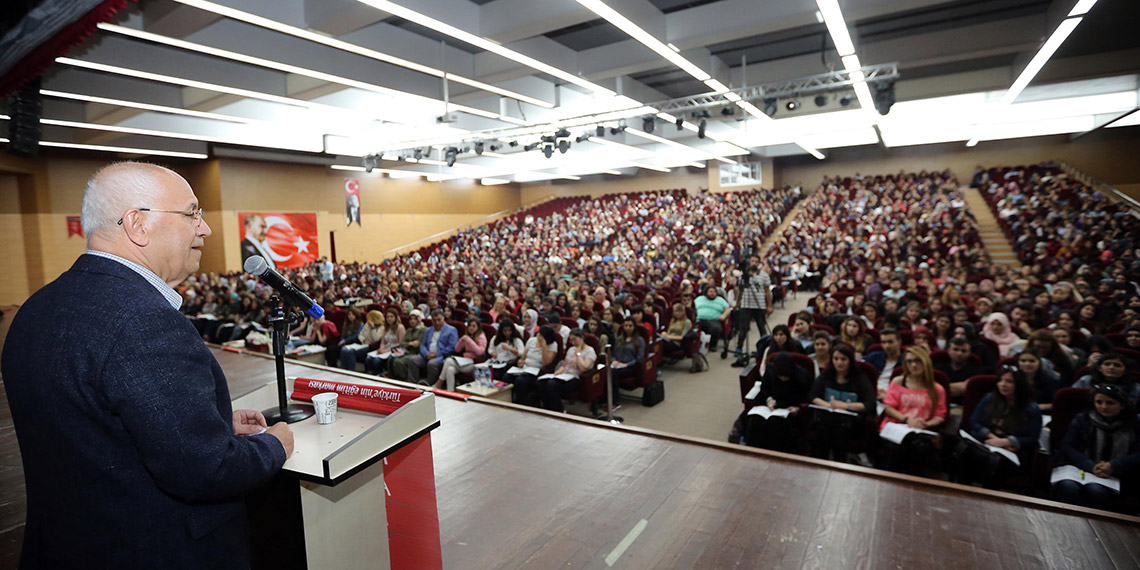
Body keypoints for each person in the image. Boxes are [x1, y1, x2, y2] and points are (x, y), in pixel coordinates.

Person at [1, 162, 294, 568]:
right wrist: (275, 443)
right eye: (192, 213)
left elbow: (91, 431)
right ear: (137, 224)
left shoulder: (37, 308)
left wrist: (209, 426)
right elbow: (207, 471)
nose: (205, 228)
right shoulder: (145, 322)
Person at [1053, 384, 1140, 512]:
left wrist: (1114, 465)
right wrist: (1089, 465)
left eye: (1110, 403)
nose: (1103, 407)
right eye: (1099, 402)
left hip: (1118, 473)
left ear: (1122, 406)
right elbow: (1067, 446)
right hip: (1081, 468)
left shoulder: (1134, 424)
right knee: (1068, 487)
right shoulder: (1083, 419)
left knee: (1095, 490)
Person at [956, 367, 1042, 489]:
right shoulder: (989, 398)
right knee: (964, 451)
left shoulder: (1031, 409)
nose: (1003, 384)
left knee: (994, 463)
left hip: (1011, 451)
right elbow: (974, 421)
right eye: (1000, 380)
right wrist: (992, 437)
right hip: (987, 442)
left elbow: (1033, 438)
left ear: (1019, 384)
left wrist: (1006, 442)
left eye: (1009, 381)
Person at [880, 347, 948, 476]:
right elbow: (889, 408)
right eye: (909, 361)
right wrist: (907, 420)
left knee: (919, 447)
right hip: (897, 427)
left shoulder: (937, 389)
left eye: (917, 361)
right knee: (901, 448)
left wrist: (926, 424)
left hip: (921, 429)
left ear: (926, 362)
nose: (913, 365)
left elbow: (940, 415)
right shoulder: (899, 381)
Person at [808, 344, 877, 462]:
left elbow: (869, 403)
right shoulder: (826, 375)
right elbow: (812, 396)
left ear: (850, 361)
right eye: (836, 359)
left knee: (838, 433)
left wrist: (845, 406)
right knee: (822, 430)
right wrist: (829, 405)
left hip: (850, 422)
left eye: (843, 359)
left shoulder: (860, 378)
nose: (839, 363)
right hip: (827, 417)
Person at [745, 352, 811, 452]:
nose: (783, 379)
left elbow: (808, 399)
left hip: (789, 411)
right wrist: (768, 399)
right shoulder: (770, 370)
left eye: (786, 377)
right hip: (771, 406)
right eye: (780, 377)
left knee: (775, 423)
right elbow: (764, 388)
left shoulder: (802, 377)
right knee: (754, 419)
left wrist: (799, 408)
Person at [536, 329, 597, 413]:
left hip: (576, 377)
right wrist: (559, 371)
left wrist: (578, 354)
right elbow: (564, 365)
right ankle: (548, 408)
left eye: (574, 339)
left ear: (582, 338)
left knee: (551, 385)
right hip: (564, 375)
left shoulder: (590, 351)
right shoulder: (571, 349)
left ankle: (559, 410)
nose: (572, 342)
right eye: (571, 340)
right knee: (541, 382)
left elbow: (584, 368)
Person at [732, 254, 773, 366]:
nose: (754, 263)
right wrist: (737, 303)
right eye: (752, 261)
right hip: (746, 305)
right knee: (743, 329)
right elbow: (740, 290)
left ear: (759, 263)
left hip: (760, 306)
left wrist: (770, 306)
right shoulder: (743, 276)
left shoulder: (764, 275)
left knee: (762, 328)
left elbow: (767, 291)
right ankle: (739, 347)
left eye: (756, 261)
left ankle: (765, 348)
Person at [506, 325, 559, 406]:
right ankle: (509, 401)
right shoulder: (531, 340)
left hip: (537, 370)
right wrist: (520, 361)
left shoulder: (552, 344)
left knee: (520, 381)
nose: (538, 336)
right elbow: (523, 357)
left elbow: (546, 362)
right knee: (507, 377)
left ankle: (521, 404)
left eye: (541, 336)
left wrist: (543, 345)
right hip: (525, 368)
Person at [404, 309, 458, 385]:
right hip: (427, 354)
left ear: (443, 318)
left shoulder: (451, 330)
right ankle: (412, 384)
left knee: (431, 364)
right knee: (413, 360)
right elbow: (422, 345)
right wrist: (427, 354)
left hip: (441, 356)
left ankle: (429, 384)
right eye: (434, 320)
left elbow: (452, 347)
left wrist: (436, 354)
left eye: (439, 320)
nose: (437, 322)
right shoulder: (428, 330)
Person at [435, 318, 488, 390]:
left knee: (448, 361)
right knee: (450, 369)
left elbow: (480, 352)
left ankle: (439, 383)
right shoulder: (468, 336)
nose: (471, 328)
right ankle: (450, 392)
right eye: (469, 326)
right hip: (465, 361)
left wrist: (469, 340)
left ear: (478, 327)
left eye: (474, 326)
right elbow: (457, 349)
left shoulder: (481, 337)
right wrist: (461, 341)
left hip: (475, 363)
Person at [608, 319, 646, 410]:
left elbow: (640, 358)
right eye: (626, 326)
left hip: (631, 367)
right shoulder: (619, 339)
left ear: (634, 327)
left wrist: (626, 365)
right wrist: (613, 361)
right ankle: (603, 399)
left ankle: (615, 402)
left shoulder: (640, 340)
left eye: (630, 326)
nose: (628, 328)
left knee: (613, 373)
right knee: (605, 371)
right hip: (617, 364)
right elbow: (612, 354)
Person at [1074, 353, 1140, 405]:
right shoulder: (1085, 381)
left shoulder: (1135, 387)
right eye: (1107, 364)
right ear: (1099, 368)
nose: (1111, 367)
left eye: (1117, 365)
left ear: (1125, 371)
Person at [864, 328, 904, 399]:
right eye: (883, 342)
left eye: (890, 342)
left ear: (899, 342)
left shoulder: (906, 361)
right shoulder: (874, 357)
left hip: (894, 396)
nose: (887, 346)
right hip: (871, 392)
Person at [365, 308, 406, 375]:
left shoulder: (400, 327)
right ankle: (371, 374)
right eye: (387, 317)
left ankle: (379, 374)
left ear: (395, 317)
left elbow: (400, 344)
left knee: (376, 361)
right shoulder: (386, 327)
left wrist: (386, 350)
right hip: (385, 349)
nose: (389, 319)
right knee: (368, 359)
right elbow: (383, 342)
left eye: (391, 317)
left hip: (394, 350)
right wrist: (381, 349)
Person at [695, 284, 731, 359]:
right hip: (699, 319)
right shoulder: (699, 299)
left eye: (714, 292)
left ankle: (713, 345)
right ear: (706, 292)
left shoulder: (720, 300)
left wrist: (724, 315)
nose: (712, 293)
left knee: (716, 328)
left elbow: (728, 309)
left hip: (714, 320)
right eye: (710, 292)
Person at [388, 310, 426, 379]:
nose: (412, 321)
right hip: (405, 350)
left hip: (416, 353)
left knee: (398, 362)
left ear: (418, 320)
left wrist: (408, 344)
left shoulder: (423, 330)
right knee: (391, 357)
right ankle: (392, 376)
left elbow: (418, 344)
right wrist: (410, 343)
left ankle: (403, 378)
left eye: (414, 319)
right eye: (411, 319)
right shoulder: (408, 330)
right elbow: (402, 343)